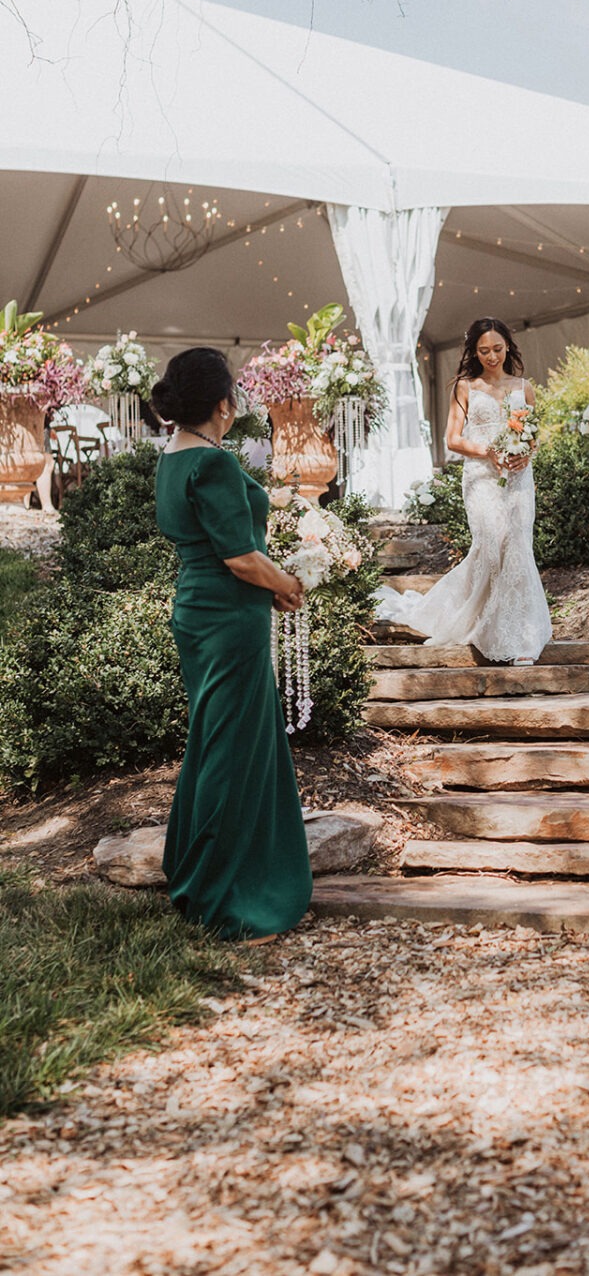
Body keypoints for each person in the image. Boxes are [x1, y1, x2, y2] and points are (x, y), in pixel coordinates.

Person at [152, 348, 312, 943]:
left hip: (198, 609)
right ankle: (222, 895)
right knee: (231, 747)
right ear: (223, 402)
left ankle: (201, 872)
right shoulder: (213, 464)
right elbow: (241, 558)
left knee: (216, 738)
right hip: (227, 618)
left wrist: (265, 584)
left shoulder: (173, 457)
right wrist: (288, 583)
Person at [378, 317, 551, 664]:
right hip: (481, 478)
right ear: (474, 351)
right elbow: (453, 440)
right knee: (493, 545)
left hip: (517, 479)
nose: (491, 356)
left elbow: (532, 436)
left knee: (516, 547)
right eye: (484, 350)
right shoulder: (465, 387)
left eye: (497, 349)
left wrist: (524, 456)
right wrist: (489, 451)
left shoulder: (523, 387)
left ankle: (520, 636)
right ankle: (477, 621)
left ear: (508, 348)